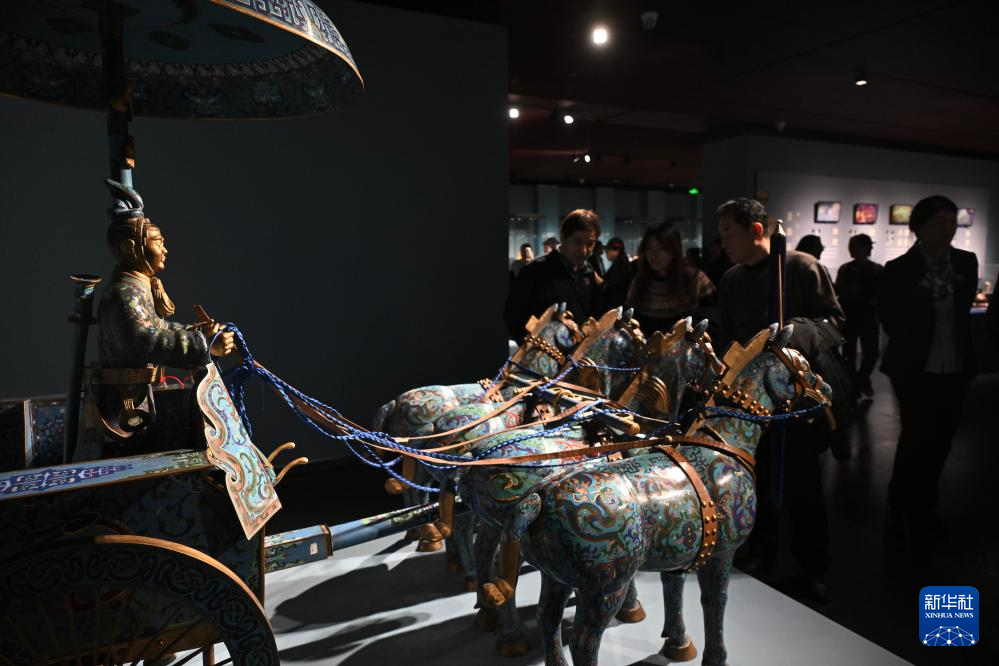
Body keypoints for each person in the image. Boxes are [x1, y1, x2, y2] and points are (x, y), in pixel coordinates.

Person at [714, 198, 844, 604]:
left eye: (729, 234)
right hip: (750, 405)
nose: (724, 244)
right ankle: (760, 549)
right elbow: (727, 336)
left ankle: (813, 566)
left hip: (794, 401)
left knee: (803, 485)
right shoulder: (732, 279)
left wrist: (795, 333)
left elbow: (833, 324)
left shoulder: (802, 268)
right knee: (753, 478)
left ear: (756, 230)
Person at [81, 180, 235, 460]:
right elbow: (145, 339)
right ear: (131, 248)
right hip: (123, 407)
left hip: (138, 397)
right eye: (158, 242)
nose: (165, 249)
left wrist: (198, 331)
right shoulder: (124, 293)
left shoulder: (138, 285)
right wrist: (203, 343)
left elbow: (158, 328)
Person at [879, 195, 978, 536]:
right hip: (913, 366)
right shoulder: (899, 268)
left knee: (943, 439)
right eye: (939, 222)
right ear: (918, 227)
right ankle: (899, 503)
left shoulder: (965, 262)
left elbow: (962, 313)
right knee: (915, 436)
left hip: (955, 365)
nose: (948, 229)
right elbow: (890, 318)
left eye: (951, 222)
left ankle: (925, 505)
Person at [504, 210, 602, 342]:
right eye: (577, 242)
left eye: (590, 244)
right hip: (543, 351)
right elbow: (513, 316)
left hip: (580, 352)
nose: (584, 250)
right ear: (563, 237)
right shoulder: (535, 270)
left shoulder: (588, 272)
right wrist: (533, 347)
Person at [626, 221, 715, 336]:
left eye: (661, 248)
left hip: (686, 345)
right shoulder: (640, 281)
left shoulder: (695, 278)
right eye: (649, 248)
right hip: (647, 345)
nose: (654, 255)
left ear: (673, 250)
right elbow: (629, 319)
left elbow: (712, 319)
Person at [835, 234, 884, 397]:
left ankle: (857, 383)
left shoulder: (876, 269)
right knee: (851, 353)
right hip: (854, 317)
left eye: (853, 246)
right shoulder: (847, 269)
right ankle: (860, 382)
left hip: (864, 317)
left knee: (870, 353)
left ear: (864, 248)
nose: (850, 249)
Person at [602, 237, 633, 310]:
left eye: (607, 251)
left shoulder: (620, 266)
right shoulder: (622, 263)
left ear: (616, 250)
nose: (606, 254)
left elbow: (613, 289)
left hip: (617, 306)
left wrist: (601, 282)